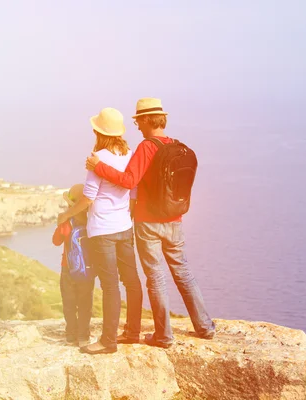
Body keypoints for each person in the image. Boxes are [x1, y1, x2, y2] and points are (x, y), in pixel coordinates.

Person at [86, 98, 215, 348]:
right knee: (183, 274)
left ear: (146, 120)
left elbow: (128, 180)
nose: (137, 126)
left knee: (155, 278)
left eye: (138, 121)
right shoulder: (177, 146)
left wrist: (98, 166)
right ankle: (205, 326)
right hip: (175, 220)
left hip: (149, 223)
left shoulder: (147, 147)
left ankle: (164, 336)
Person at [58, 107, 143, 355]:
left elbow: (88, 199)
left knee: (110, 286)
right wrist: (127, 217)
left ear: (98, 131)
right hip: (124, 227)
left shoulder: (97, 159)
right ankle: (133, 332)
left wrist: (66, 215)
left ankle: (108, 341)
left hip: (103, 231)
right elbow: (134, 192)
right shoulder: (131, 155)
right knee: (131, 280)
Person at [52, 183, 95, 348]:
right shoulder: (92, 222)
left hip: (68, 268)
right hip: (88, 269)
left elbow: (56, 241)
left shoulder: (67, 223)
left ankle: (71, 335)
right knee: (85, 303)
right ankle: (84, 336)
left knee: (69, 303)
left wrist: (60, 223)